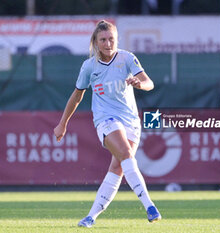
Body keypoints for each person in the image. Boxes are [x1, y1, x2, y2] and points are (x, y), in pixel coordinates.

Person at [54, 20, 161, 228]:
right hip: (105, 120)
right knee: (126, 154)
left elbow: (149, 83)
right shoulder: (89, 66)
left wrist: (140, 83)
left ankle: (91, 216)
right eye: (103, 40)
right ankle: (149, 206)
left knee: (118, 167)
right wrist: (62, 123)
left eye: (111, 39)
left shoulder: (127, 58)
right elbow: (76, 96)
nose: (108, 43)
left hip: (131, 120)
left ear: (117, 39)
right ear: (95, 41)